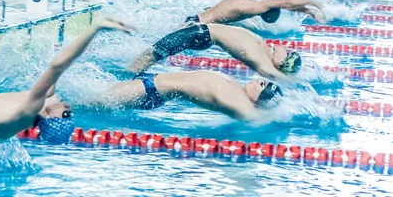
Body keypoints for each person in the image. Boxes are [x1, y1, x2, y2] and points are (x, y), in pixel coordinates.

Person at [0, 17, 133, 165]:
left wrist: (95, 28)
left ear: (48, 117)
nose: (68, 107)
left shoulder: (27, 111)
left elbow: (57, 66)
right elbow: (63, 62)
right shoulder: (45, 99)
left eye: (65, 114)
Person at [128, 24, 302, 83]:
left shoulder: (263, 60)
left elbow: (271, 73)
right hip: (201, 34)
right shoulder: (265, 49)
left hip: (199, 35)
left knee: (149, 55)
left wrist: (297, 84)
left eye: (288, 53)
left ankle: (125, 77)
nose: (287, 49)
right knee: (150, 55)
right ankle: (130, 76)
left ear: (281, 62)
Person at [104, 71, 283, 122]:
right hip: (151, 81)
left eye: (262, 85)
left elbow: (254, 117)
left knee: (84, 105)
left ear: (259, 100)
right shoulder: (238, 90)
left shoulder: (240, 103)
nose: (259, 80)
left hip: (149, 91)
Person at [184, 0, 325, 25]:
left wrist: (311, 6)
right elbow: (286, 4)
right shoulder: (253, 5)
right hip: (198, 22)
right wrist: (310, 8)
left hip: (197, 22)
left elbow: (287, 4)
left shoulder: (255, 6)